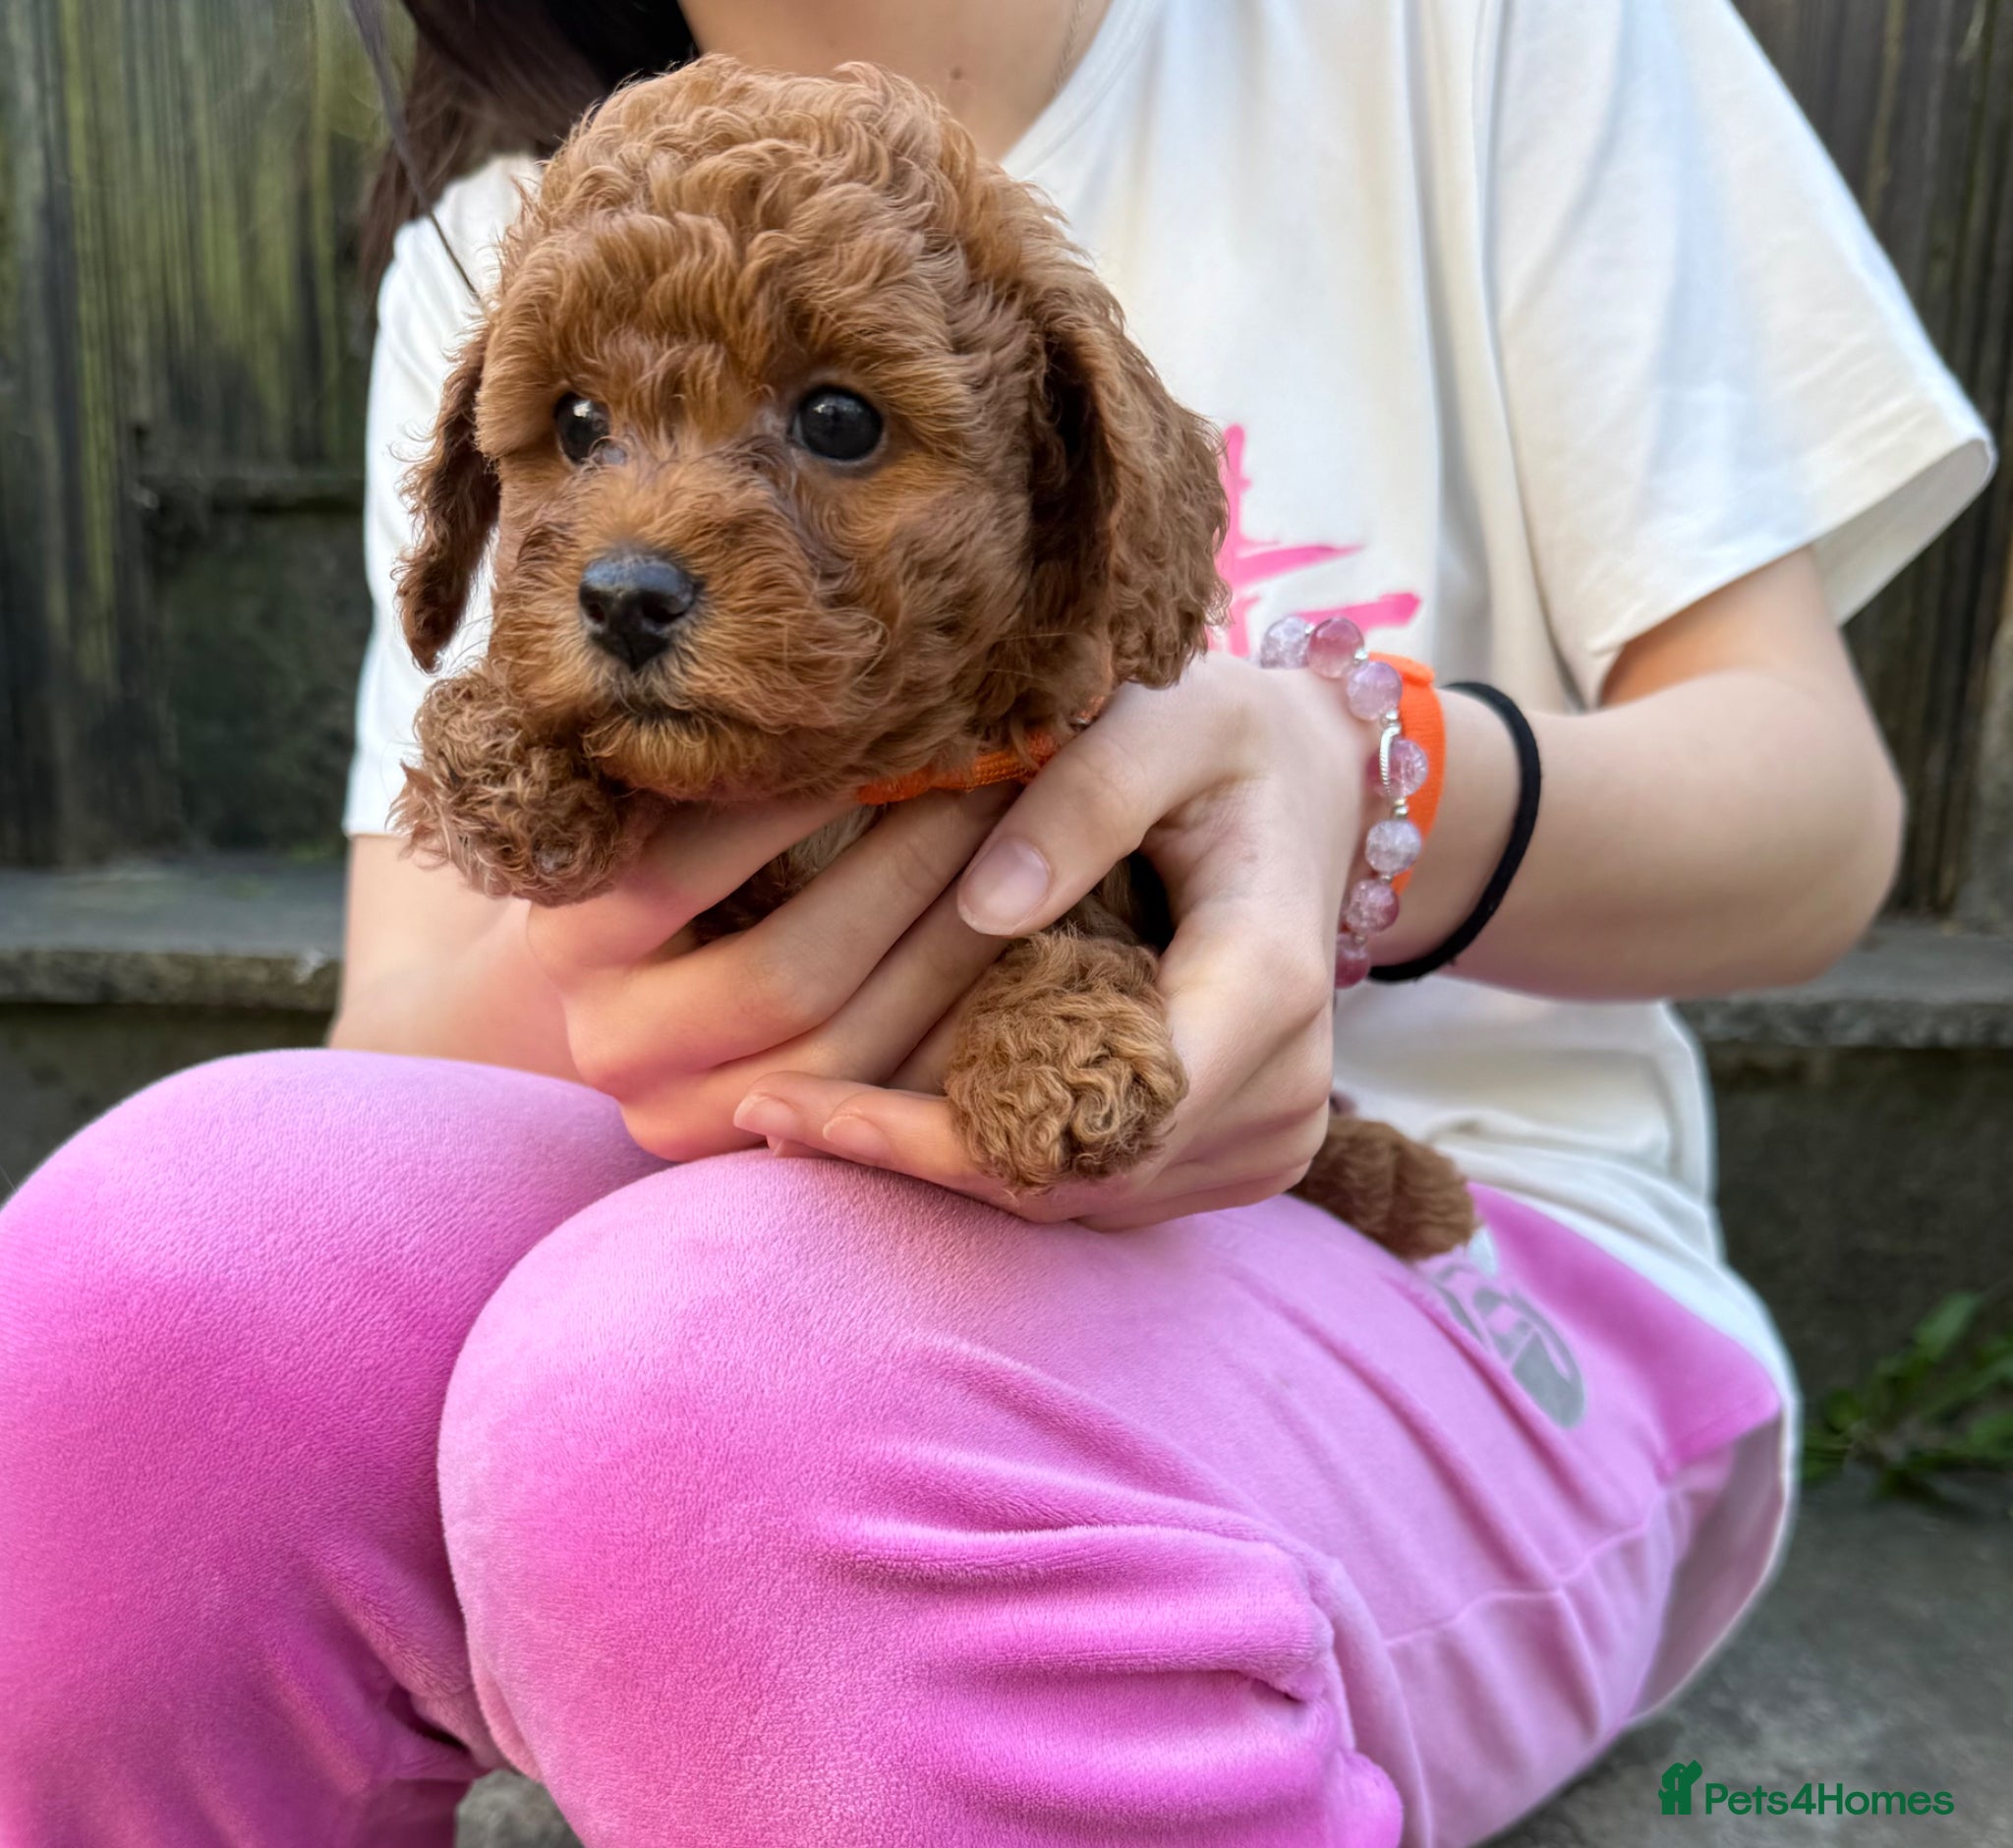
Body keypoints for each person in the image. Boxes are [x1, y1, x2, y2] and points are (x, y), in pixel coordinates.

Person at [0, 2, 1990, 1843]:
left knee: (697, 1399)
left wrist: (1354, 784)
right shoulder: (509, 220)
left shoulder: (1479, 31)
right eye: (584, 435)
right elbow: (406, 1034)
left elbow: (1812, 829)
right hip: (710, 1217)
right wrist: (683, 977)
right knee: (138, 1297)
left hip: (1469, 1253)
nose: (634, 520)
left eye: (843, 432)